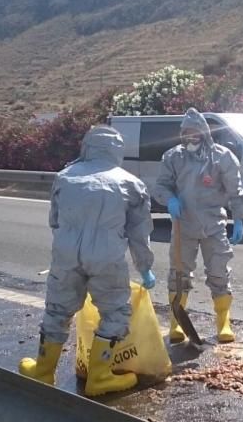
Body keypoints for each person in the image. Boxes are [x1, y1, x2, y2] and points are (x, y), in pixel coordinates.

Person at [19, 125, 156, 397]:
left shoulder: (65, 176)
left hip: (66, 254)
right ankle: (100, 376)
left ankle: (43, 372)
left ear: (87, 147)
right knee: (115, 312)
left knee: (57, 310)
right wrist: (145, 268)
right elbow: (139, 234)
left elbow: (54, 220)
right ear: (117, 151)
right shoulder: (130, 182)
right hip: (107, 257)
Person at [153, 108, 243, 343]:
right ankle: (177, 321)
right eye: (186, 133)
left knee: (218, 272)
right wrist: (170, 200)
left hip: (214, 225)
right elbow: (160, 187)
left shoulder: (222, 157)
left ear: (205, 133)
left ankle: (223, 322)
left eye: (195, 132)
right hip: (183, 225)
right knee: (179, 274)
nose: (190, 137)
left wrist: (238, 218)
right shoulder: (173, 157)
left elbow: (235, 189)